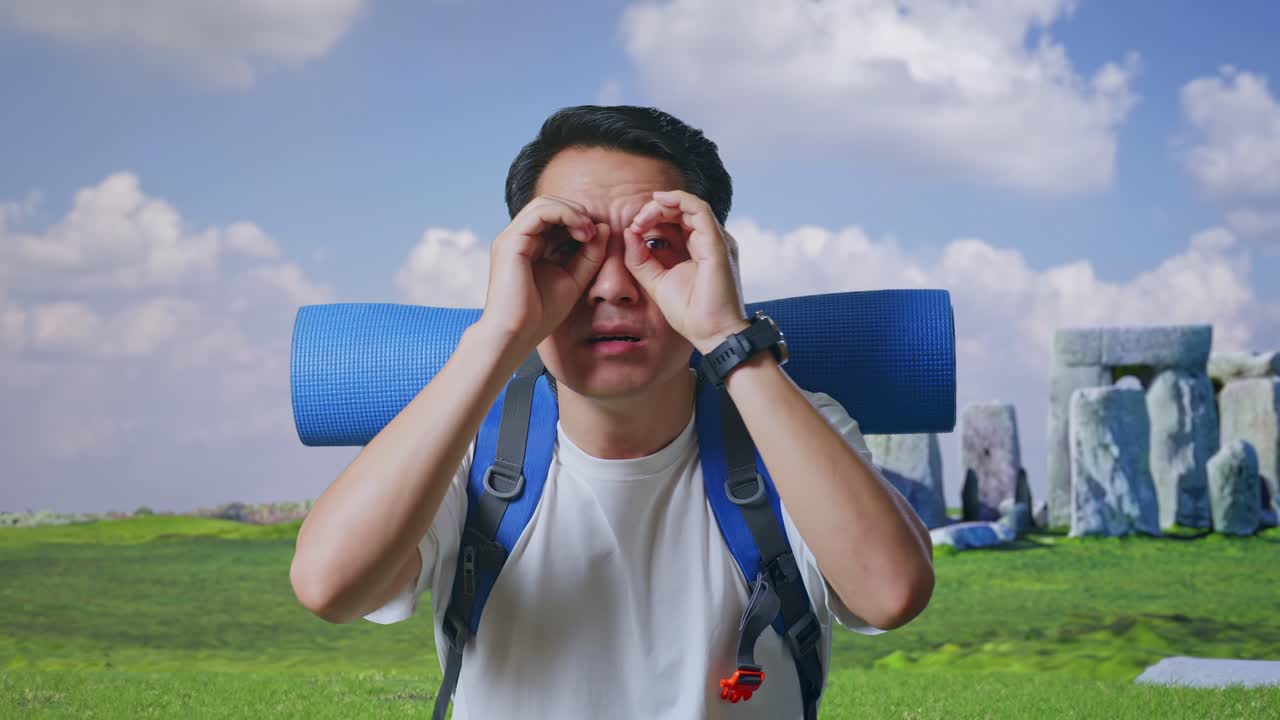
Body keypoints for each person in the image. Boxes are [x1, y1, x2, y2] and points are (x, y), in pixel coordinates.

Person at [290, 105, 935, 718]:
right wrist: (498, 335)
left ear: (713, 257)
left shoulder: (789, 422)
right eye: (567, 246)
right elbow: (330, 587)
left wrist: (727, 335)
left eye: (657, 243)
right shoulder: (469, 438)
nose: (612, 285)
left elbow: (889, 595)